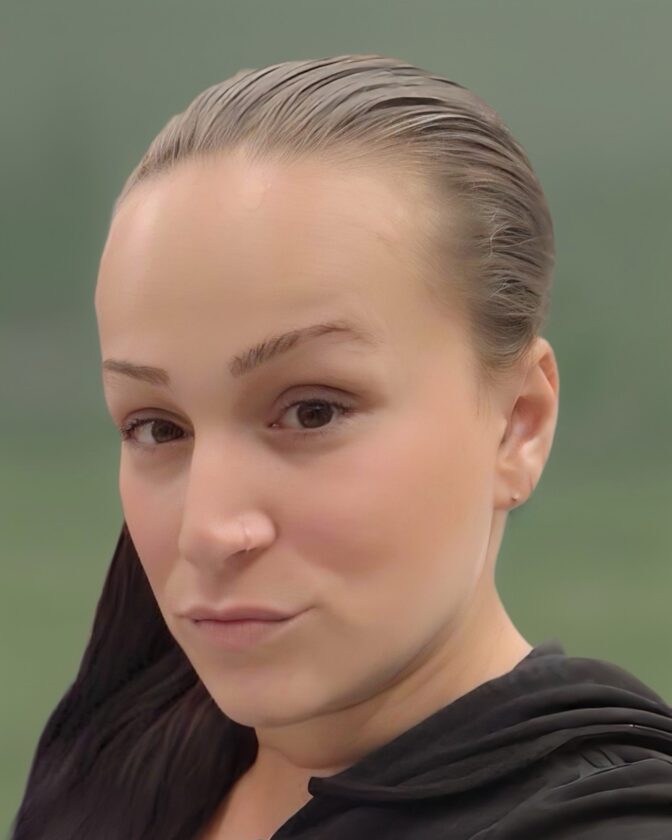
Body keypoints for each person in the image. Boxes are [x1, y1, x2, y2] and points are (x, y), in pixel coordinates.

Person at [10, 54, 672, 840]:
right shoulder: (117, 762)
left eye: (313, 412)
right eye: (158, 427)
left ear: (518, 424)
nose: (207, 532)